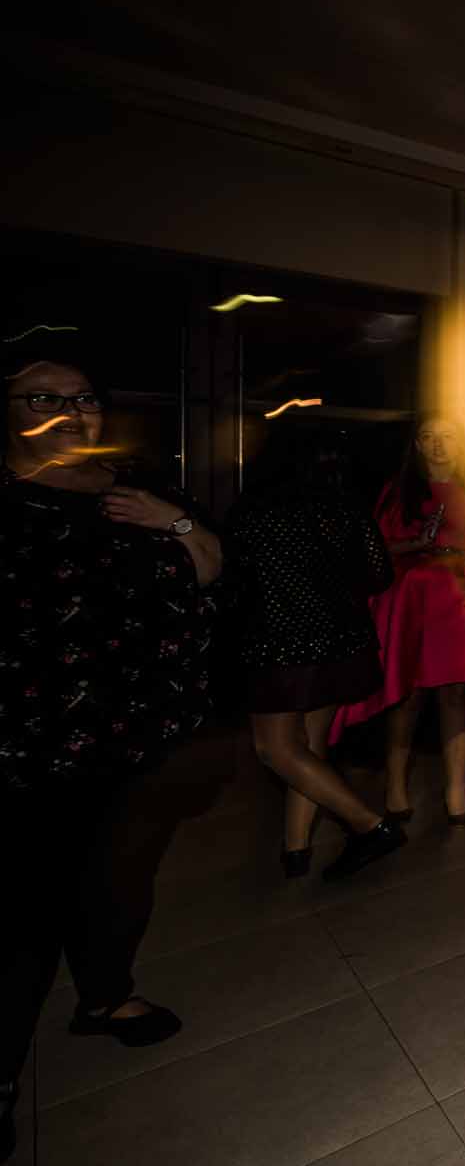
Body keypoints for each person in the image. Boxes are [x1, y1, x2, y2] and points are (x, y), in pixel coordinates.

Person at [1, 339, 223, 1163]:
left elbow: (210, 567)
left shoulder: (135, 490)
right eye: (41, 398)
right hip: (32, 747)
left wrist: (175, 522)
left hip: (151, 732)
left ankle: (105, 996)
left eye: (84, 395)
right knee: (24, 911)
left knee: (120, 882)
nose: (71, 409)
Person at [228, 423, 404, 880]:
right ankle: (296, 848)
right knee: (309, 749)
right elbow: (379, 574)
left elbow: (234, 582)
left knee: (277, 749)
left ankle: (371, 826)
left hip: (279, 647)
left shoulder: (254, 509)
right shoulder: (343, 506)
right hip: (341, 644)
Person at [332, 417, 465, 826]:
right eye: (428, 437)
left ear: (460, 444)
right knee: (406, 696)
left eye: (447, 436)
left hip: (457, 599)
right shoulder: (398, 492)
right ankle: (396, 787)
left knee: (455, 697)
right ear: (416, 445)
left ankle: (454, 793)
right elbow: (375, 550)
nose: (438, 445)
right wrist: (417, 543)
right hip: (408, 599)